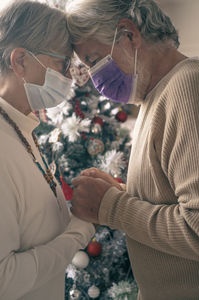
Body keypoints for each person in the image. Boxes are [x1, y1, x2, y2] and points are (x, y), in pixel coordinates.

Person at [66, 0, 199, 299]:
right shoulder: (154, 97)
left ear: (128, 33)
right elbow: (170, 197)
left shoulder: (188, 87)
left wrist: (112, 206)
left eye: (93, 59)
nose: (94, 78)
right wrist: (122, 193)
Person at [0, 1, 95, 300]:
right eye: (61, 64)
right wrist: (80, 230)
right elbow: (5, 279)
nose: (69, 76)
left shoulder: (20, 128)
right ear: (20, 61)